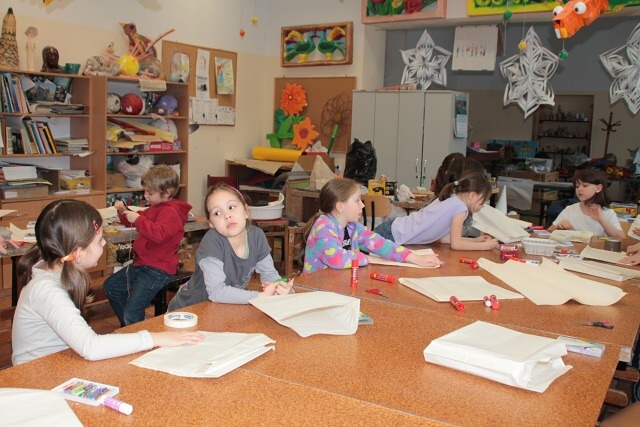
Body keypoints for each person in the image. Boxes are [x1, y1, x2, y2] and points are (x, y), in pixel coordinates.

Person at [11, 200, 204, 366]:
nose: (104, 243)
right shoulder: (46, 290)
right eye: (99, 240)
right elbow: (90, 346)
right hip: (39, 376)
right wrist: (156, 338)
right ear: (78, 253)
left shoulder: (52, 272)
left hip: (57, 364)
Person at [168, 182, 293, 311]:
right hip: (188, 311)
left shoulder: (257, 236)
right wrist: (259, 297)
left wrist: (280, 287)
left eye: (231, 207)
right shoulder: (212, 241)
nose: (227, 215)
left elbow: (270, 275)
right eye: (217, 213)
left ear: (246, 211)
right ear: (211, 224)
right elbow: (216, 292)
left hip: (223, 310)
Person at [103, 165, 192, 326]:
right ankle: (132, 326)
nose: (145, 195)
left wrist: (138, 219)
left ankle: (134, 326)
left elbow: (159, 235)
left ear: (166, 193)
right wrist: (123, 211)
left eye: (150, 193)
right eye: (145, 191)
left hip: (158, 269)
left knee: (131, 313)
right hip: (143, 264)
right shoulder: (156, 207)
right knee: (111, 287)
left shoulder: (170, 212)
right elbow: (138, 220)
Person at [300, 178, 443, 274]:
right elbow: (336, 258)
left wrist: (412, 257)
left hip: (337, 284)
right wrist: (367, 258)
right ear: (340, 206)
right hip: (316, 292)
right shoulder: (323, 226)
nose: (362, 205)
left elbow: (380, 244)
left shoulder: (352, 227)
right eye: (357, 201)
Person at [375, 172, 499, 250]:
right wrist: (484, 246)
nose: (482, 207)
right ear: (472, 195)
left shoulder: (451, 198)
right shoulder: (460, 208)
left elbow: (444, 238)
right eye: (481, 203)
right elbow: (456, 244)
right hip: (392, 234)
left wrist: (475, 240)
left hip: (391, 229)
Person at [548, 169, 624, 239]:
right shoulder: (570, 210)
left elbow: (622, 239)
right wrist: (558, 227)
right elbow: (548, 233)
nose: (579, 189)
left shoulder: (607, 213)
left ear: (598, 188)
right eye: (577, 186)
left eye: (585, 185)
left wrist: (601, 219)